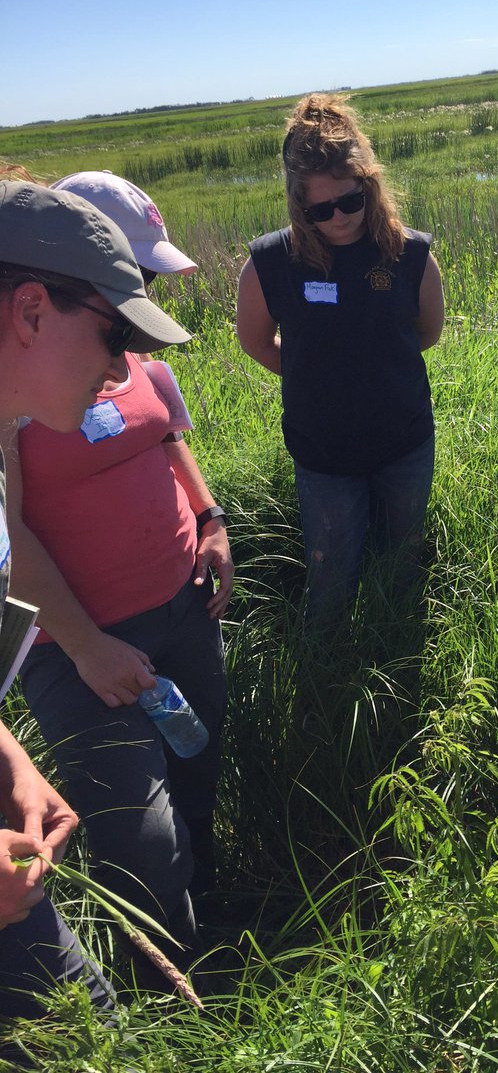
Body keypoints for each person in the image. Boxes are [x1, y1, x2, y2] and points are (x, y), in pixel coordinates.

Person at [1, 171, 231, 987]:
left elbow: (169, 439)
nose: (124, 363)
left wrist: (12, 766)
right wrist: (86, 645)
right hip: (86, 642)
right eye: (114, 334)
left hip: (173, 606)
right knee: (142, 841)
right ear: (32, 311)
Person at [237, 94, 444, 629]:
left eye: (349, 202)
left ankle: (396, 641)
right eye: (319, 210)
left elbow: (427, 332)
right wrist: (316, 372)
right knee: (330, 576)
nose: (337, 218)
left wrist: (370, 365)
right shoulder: (269, 263)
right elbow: (255, 341)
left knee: (402, 562)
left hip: (404, 440)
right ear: (296, 205)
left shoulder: (408, 253)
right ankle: (325, 663)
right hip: (322, 451)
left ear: (369, 186)